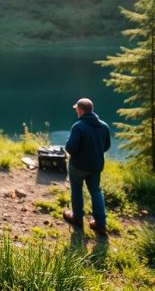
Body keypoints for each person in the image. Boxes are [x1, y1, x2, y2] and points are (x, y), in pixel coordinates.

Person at [63, 97, 111, 235]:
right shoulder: (104, 126)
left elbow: (70, 149)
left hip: (78, 166)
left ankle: (77, 218)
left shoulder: (78, 126)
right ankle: (100, 224)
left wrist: (68, 142)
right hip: (96, 165)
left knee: (77, 189)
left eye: (77, 109)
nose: (76, 111)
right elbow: (106, 146)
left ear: (80, 110)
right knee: (96, 191)